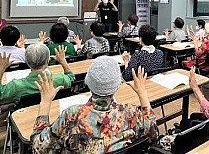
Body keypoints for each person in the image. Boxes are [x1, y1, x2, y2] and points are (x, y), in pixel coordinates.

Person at [30, 56, 158, 153]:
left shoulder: (71, 115)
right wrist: (143, 94)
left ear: (88, 82)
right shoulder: (130, 113)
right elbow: (153, 135)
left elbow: (39, 148)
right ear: (118, 85)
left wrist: (45, 103)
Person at [0, 44, 75, 103]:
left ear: (27, 62)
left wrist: (1, 69)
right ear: (48, 61)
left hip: (25, 119)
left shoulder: (16, 86)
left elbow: (1, 94)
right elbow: (71, 78)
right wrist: (63, 61)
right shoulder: (61, 79)